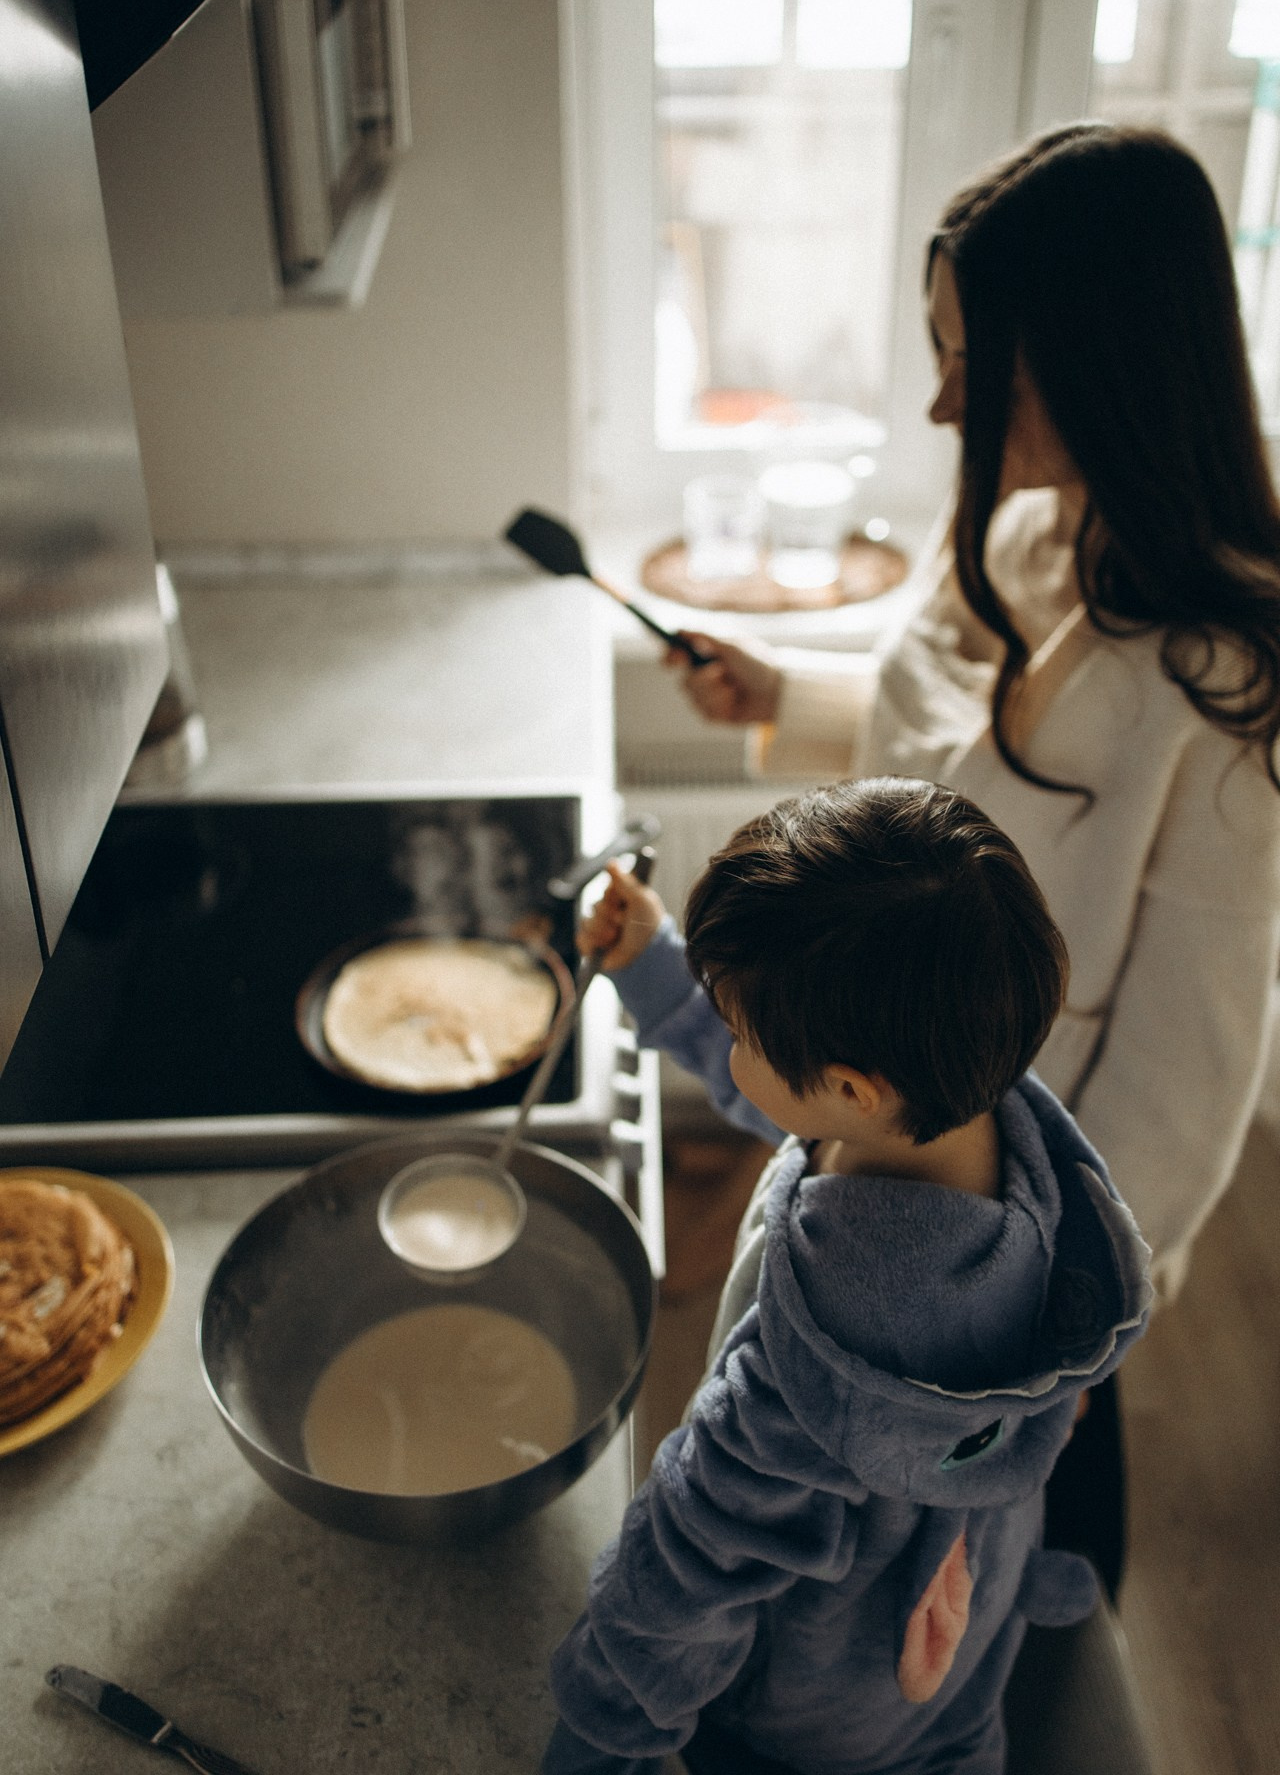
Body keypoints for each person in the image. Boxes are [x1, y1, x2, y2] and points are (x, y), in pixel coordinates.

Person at [671, 124, 1280, 1314]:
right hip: (883, 1123)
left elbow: (1184, 1074)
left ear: (1109, 368)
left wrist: (1058, 1307)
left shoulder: (1221, 688)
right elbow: (956, 763)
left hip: (1016, 1227)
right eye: (942, 353)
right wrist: (785, 695)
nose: (945, 404)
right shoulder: (1016, 525)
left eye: (982, 370)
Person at [543, 777, 1151, 1775]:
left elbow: (683, 1571)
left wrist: (599, 1743)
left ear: (852, 1088)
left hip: (817, 1703)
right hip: (963, 1618)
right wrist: (656, 968)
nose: (728, 1038)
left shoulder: (814, 1367)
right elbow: (807, 1103)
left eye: (735, 1027)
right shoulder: (984, 1108)